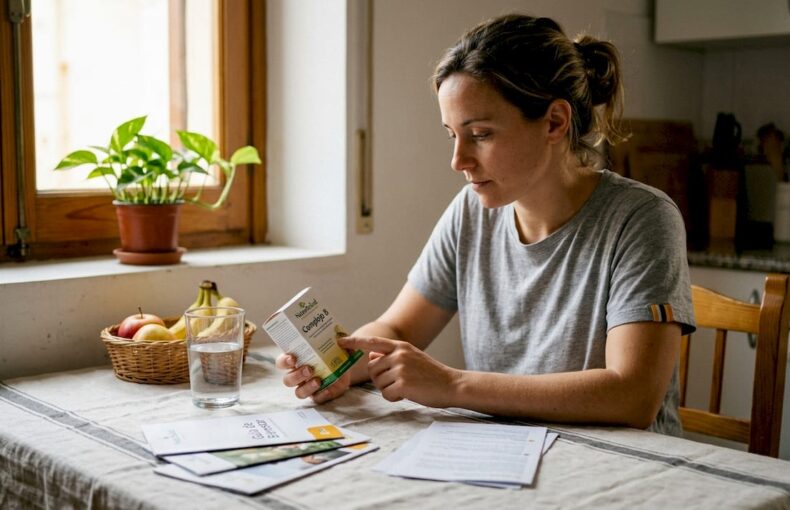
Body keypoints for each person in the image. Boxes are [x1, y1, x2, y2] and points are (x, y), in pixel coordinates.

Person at [276, 13, 695, 435]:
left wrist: (453, 384)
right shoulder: (471, 211)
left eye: (480, 134)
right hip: (507, 453)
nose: (458, 161)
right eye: (451, 135)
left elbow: (632, 395)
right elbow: (400, 327)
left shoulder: (642, 220)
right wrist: (341, 365)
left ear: (554, 122)